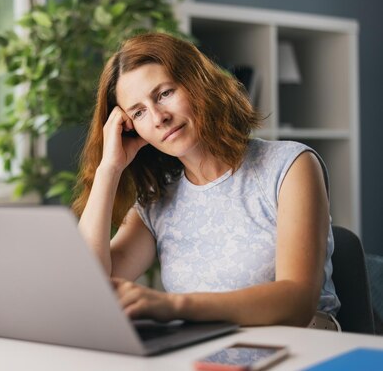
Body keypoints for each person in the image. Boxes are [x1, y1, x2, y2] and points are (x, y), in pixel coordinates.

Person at [72, 32, 340, 330]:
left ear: (197, 84)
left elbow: (297, 304)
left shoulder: (290, 166)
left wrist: (173, 305)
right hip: (208, 349)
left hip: (304, 345)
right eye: (139, 112)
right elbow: (90, 286)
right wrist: (109, 169)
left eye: (164, 94)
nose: (159, 117)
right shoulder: (157, 198)